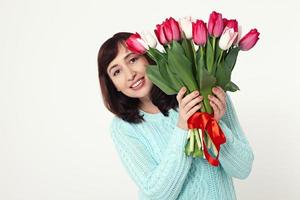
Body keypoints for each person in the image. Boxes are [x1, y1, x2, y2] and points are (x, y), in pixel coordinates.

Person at [97, 32, 254, 200]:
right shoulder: (123, 128)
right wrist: (182, 128)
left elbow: (243, 169)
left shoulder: (203, 92)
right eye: (116, 72)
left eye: (133, 59)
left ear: (148, 57)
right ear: (113, 85)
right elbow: (157, 194)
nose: (130, 74)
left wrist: (213, 123)